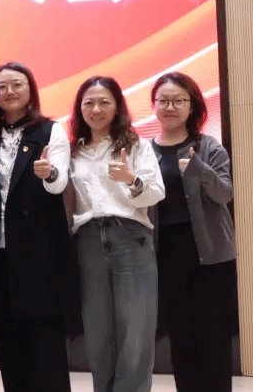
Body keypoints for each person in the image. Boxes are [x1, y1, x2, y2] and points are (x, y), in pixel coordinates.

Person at [68, 76, 165, 392]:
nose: (96, 109)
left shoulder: (136, 145)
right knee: (98, 331)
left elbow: (156, 192)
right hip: (88, 239)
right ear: (80, 109)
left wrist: (131, 180)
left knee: (135, 327)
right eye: (89, 103)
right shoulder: (72, 152)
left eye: (104, 102)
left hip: (130, 237)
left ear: (117, 106)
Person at [0, 62, 72, 392]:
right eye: (1, 86)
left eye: (17, 84)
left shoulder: (51, 130)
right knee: (9, 340)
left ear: (31, 88)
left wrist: (49, 173)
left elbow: (59, 182)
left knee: (45, 340)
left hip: (40, 249)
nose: (9, 91)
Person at [150, 72, 236, 392]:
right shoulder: (145, 151)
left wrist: (200, 169)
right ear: (154, 105)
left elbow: (224, 194)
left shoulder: (208, 146)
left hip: (210, 253)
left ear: (192, 105)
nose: (170, 107)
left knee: (213, 338)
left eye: (179, 100)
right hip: (166, 253)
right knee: (181, 338)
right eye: (164, 100)